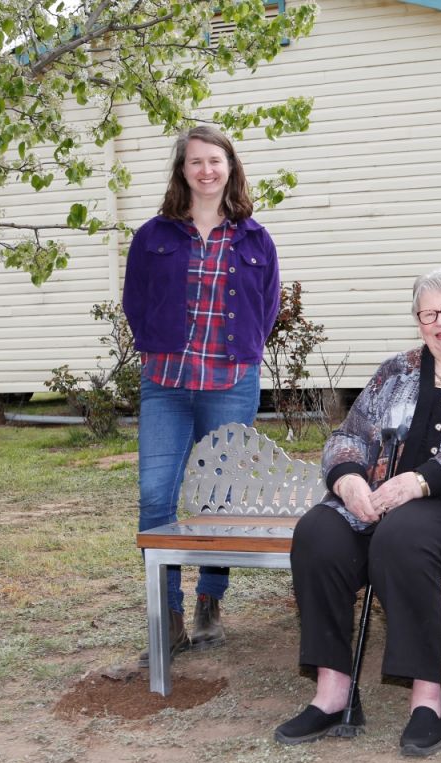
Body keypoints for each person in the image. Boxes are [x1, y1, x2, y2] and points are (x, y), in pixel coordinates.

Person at [273, 266, 441, 757]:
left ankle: (428, 700)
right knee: (318, 533)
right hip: (380, 498)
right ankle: (333, 691)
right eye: (428, 313)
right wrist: (348, 479)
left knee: (402, 535)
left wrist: (420, 481)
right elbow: (350, 433)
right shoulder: (396, 370)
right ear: (417, 320)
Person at [122, 125, 280, 665]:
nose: (206, 170)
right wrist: (152, 345)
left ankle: (210, 602)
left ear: (230, 168)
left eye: (216, 160)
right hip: (165, 383)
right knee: (155, 495)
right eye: (195, 162)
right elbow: (134, 299)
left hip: (230, 383)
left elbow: (268, 305)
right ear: (182, 171)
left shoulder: (255, 239)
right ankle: (166, 619)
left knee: (218, 499)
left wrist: (249, 353)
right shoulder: (154, 236)